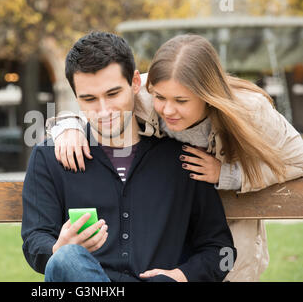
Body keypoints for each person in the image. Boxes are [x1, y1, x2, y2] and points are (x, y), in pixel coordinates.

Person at [46, 34, 303, 282]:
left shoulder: (251, 110)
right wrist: (68, 125)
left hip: (226, 224)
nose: (167, 110)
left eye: (181, 100)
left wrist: (228, 174)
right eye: (160, 98)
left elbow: (298, 159)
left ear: (207, 94)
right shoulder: (145, 91)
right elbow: (102, 103)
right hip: (169, 227)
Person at [21, 31, 236, 282]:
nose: (103, 111)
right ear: (75, 96)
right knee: (67, 260)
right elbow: (35, 241)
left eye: (113, 94)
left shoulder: (184, 158)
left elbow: (221, 250)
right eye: (89, 99)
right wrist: (59, 248)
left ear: (135, 83)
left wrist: (181, 276)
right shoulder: (49, 158)